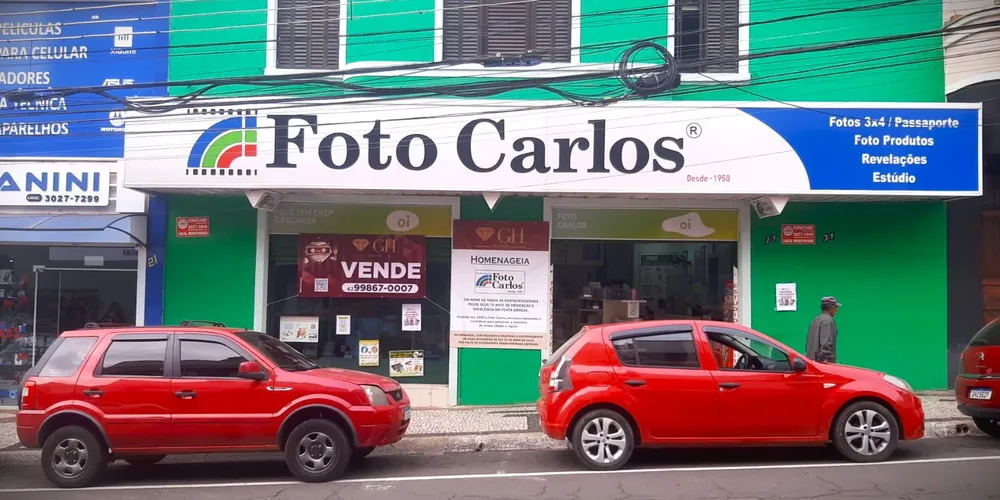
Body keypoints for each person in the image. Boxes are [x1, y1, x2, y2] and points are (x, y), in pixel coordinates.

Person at [806, 296, 840, 363]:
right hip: (822, 363)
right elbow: (826, 343)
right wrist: (828, 360)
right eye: (836, 307)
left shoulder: (815, 319)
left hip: (811, 361)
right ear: (831, 307)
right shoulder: (828, 321)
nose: (837, 310)